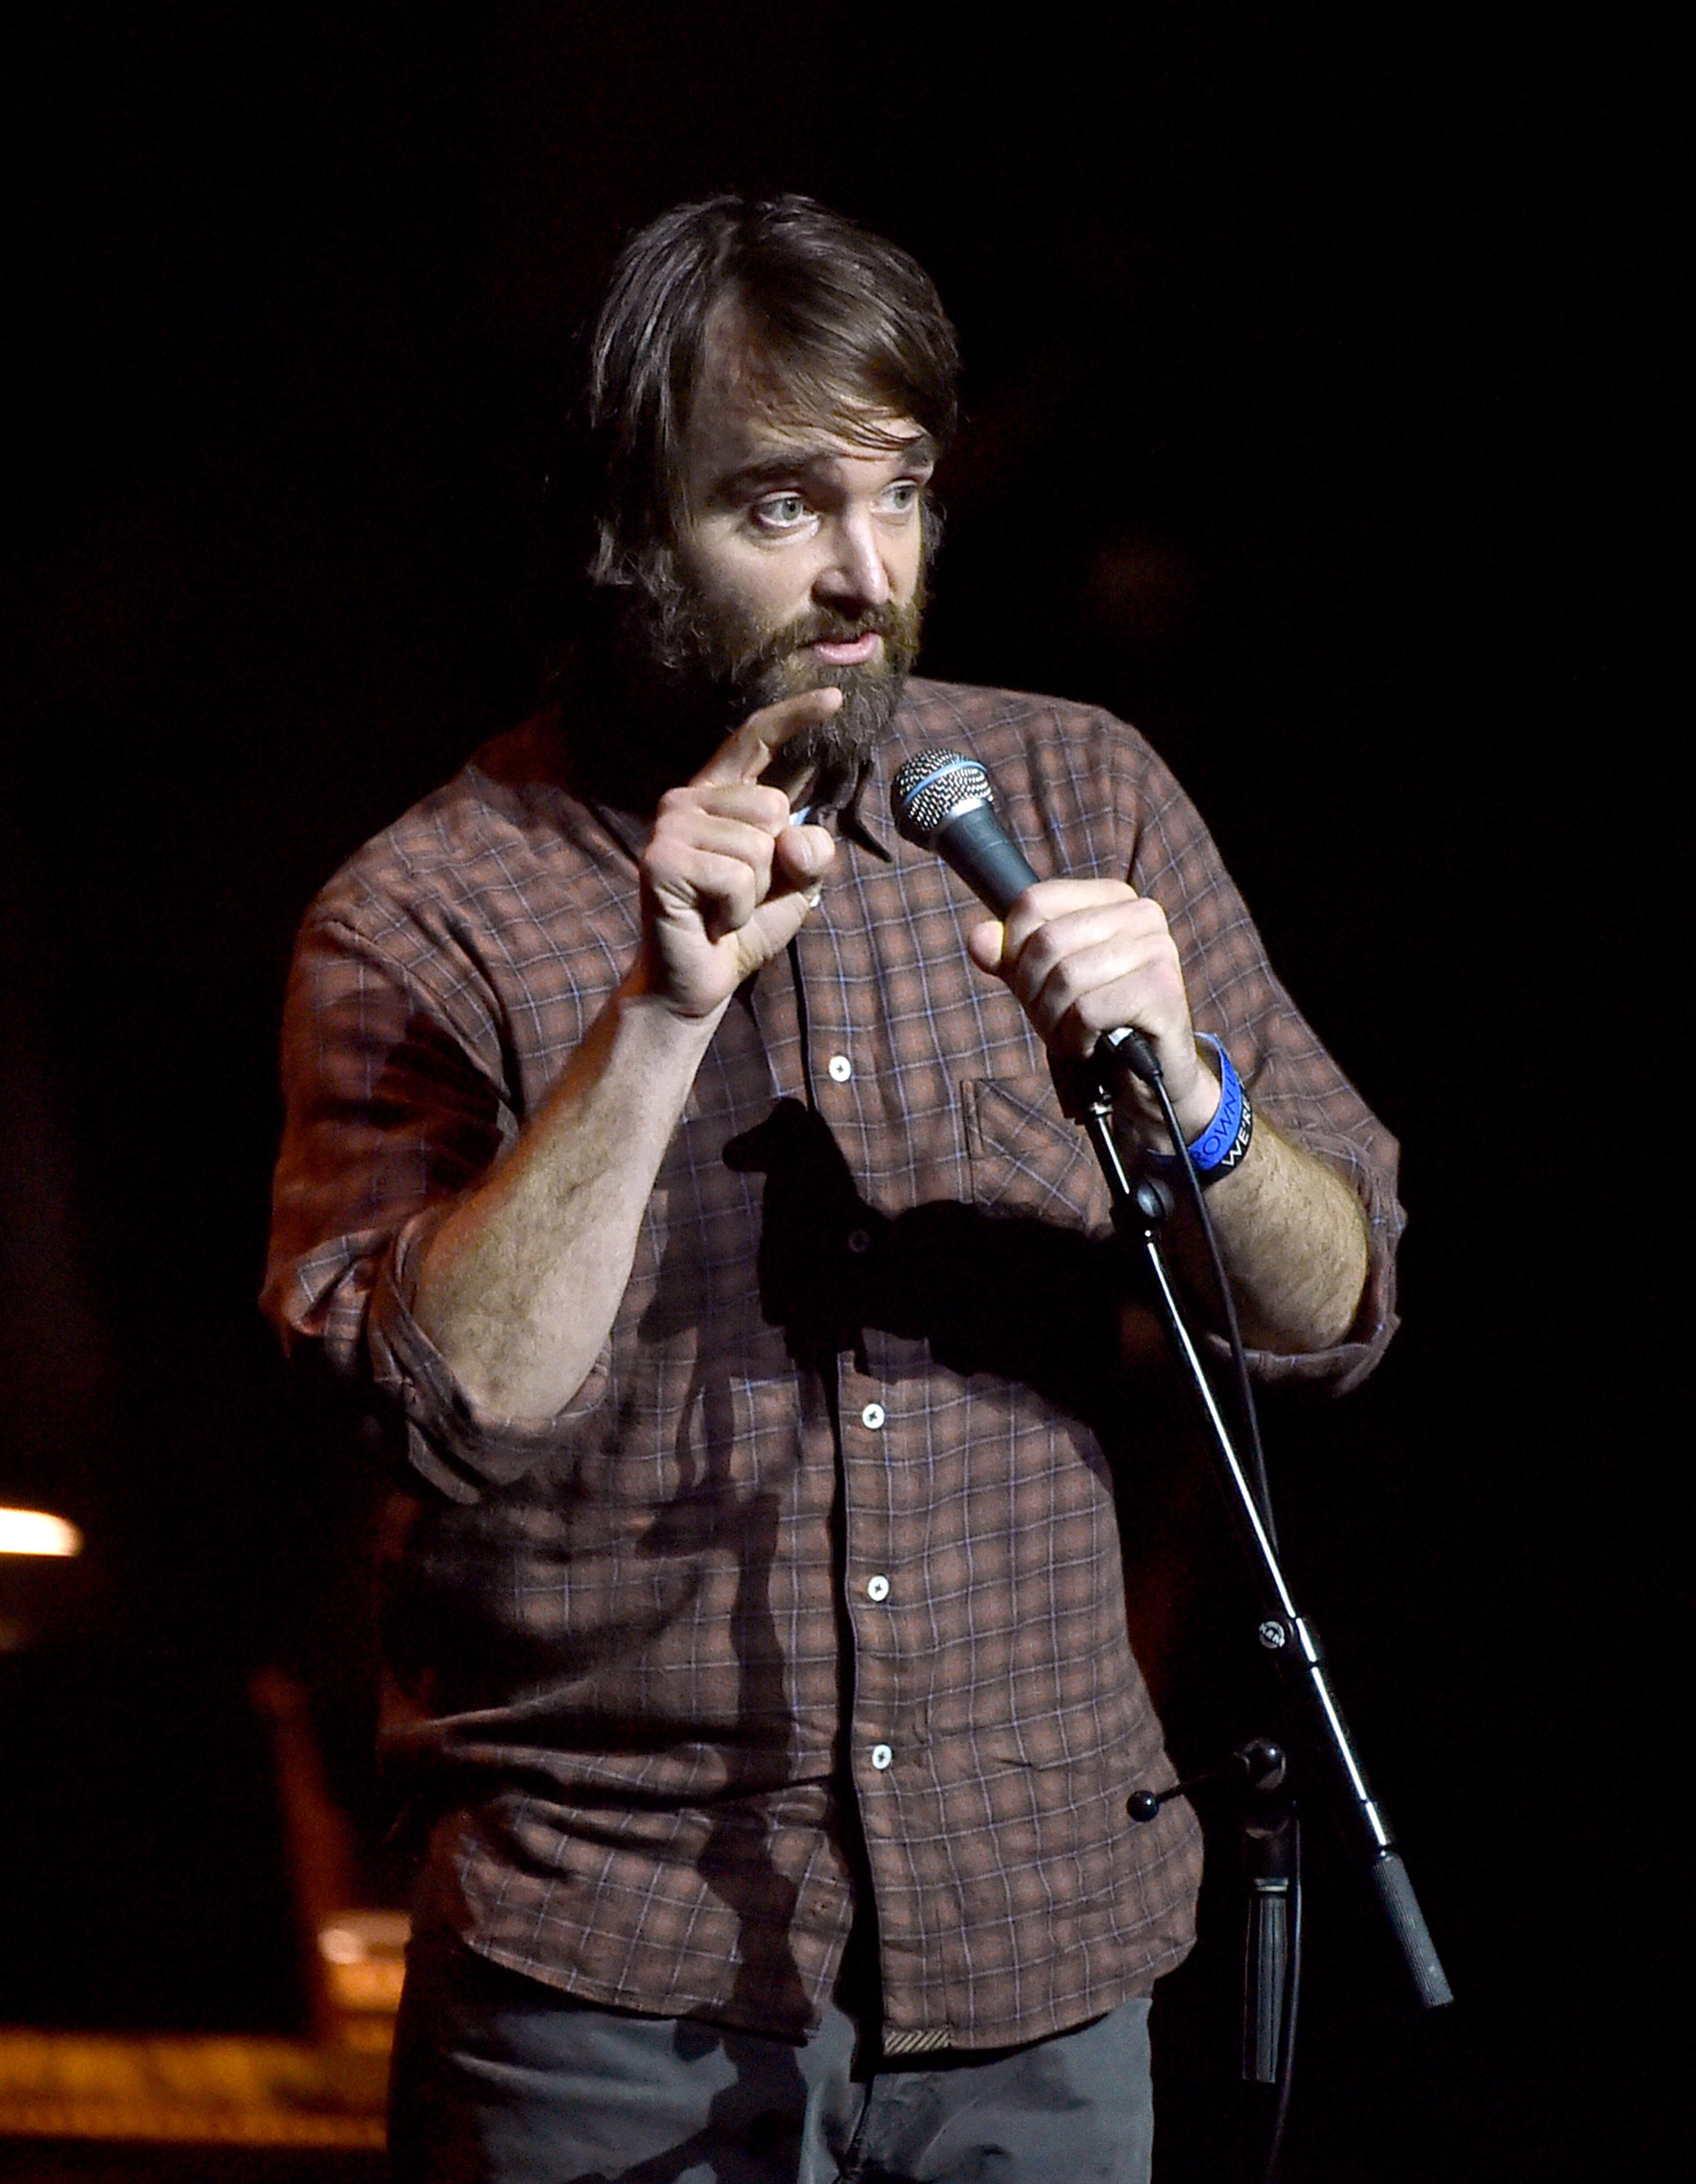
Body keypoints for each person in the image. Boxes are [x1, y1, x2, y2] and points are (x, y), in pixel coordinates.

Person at [264, 194, 1401, 2183]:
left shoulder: (1079, 798)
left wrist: (1201, 1102)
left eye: (902, 498)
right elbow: (450, 1412)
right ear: (630, 529)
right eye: (782, 509)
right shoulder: (428, 908)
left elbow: (1337, 1308)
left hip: (1042, 1969)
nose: (867, 574)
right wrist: (653, 1019)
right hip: (615, 1999)